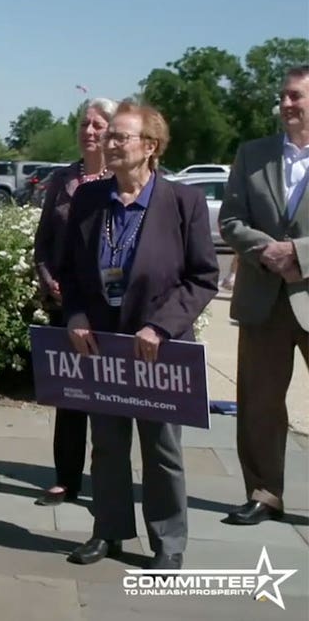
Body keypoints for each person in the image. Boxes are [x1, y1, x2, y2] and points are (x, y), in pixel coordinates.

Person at [60, 103, 217, 570]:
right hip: (102, 346)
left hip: (158, 348)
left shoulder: (182, 202)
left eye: (120, 137)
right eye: (109, 137)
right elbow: (70, 271)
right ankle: (107, 530)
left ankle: (168, 542)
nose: (109, 143)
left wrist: (162, 326)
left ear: (150, 147)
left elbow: (203, 277)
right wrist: (75, 315)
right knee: (106, 445)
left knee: (162, 448)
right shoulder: (90, 200)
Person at [219, 64, 309, 526]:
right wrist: (265, 251)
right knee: (258, 402)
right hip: (263, 298)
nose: (287, 105)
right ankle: (264, 492)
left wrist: (300, 253)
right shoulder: (252, 154)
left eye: (295, 96)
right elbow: (230, 219)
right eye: (284, 97)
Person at [31, 97, 118, 507]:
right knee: (69, 397)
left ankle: (109, 481)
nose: (89, 130)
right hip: (65, 304)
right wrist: (51, 281)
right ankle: (66, 478)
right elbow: (44, 242)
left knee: (110, 399)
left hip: (111, 306)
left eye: (99, 124)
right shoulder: (63, 179)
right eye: (85, 123)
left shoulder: (125, 179)